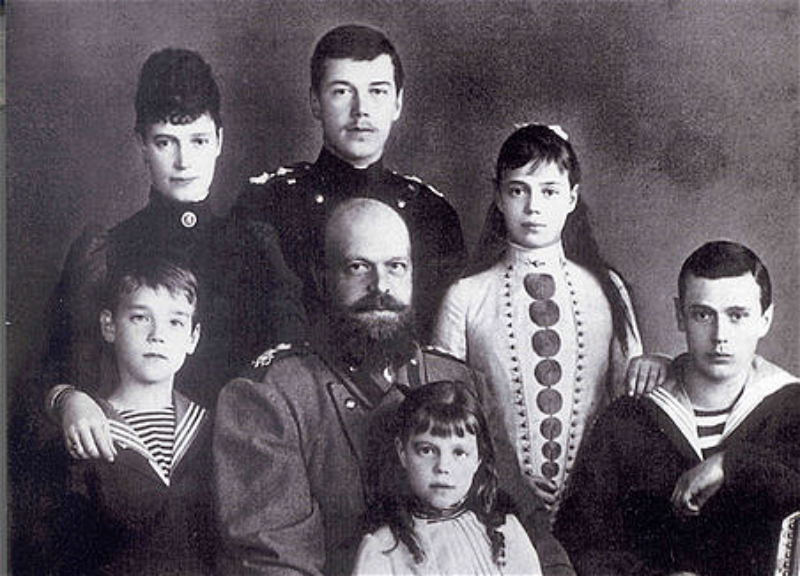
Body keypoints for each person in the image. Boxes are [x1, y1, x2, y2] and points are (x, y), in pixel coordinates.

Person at [214, 198, 574, 576]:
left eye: (396, 267)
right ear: (322, 279)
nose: (381, 286)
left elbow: (529, 527)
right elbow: (275, 564)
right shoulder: (270, 396)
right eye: (358, 267)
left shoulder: (460, 381)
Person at [39, 47, 305, 461]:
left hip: (243, 458)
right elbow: (52, 368)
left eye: (198, 141)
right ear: (142, 144)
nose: (183, 161)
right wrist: (68, 398)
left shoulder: (257, 249)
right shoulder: (107, 250)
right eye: (165, 142)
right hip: (137, 462)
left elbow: (290, 367)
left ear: (219, 141)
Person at [432, 124, 664, 516]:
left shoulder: (607, 289)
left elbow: (629, 405)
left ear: (572, 198)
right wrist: (502, 476)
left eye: (549, 191)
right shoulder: (465, 296)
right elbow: (442, 414)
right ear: (498, 197)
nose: (533, 207)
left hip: (594, 505)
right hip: (493, 504)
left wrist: (660, 366)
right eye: (518, 190)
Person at [554, 240, 800, 576]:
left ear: (765, 319)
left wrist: (732, 465)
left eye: (737, 315)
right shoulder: (629, 418)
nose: (720, 336)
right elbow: (579, 541)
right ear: (679, 316)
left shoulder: (791, 408)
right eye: (703, 315)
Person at [232, 24, 466, 339]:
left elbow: (441, 343)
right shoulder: (269, 203)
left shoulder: (431, 214)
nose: (361, 110)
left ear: (397, 103)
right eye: (342, 92)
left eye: (377, 91)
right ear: (316, 102)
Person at [47, 257, 216, 575]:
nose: (157, 335)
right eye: (140, 317)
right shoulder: (86, 430)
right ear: (109, 326)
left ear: (193, 338)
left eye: (175, 322)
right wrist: (66, 399)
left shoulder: (211, 428)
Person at [353, 380, 543, 575]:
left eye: (459, 453)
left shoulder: (508, 534)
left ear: (478, 458)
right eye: (427, 450)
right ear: (402, 453)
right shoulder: (383, 550)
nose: (443, 467)